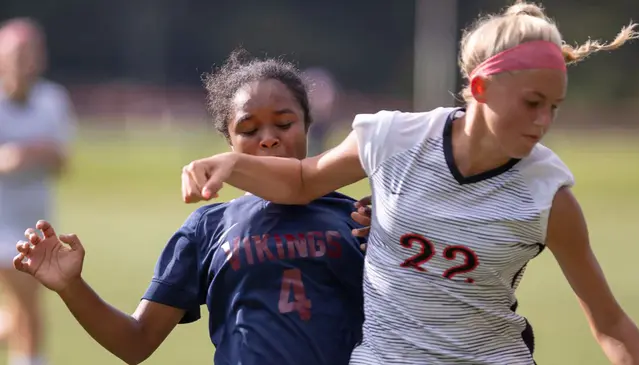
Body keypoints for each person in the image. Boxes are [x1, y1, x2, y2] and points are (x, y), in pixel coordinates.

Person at [177, 2, 639, 365]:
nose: (544, 120)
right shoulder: (393, 138)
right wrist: (228, 164)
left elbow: (610, 323)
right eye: (532, 103)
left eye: (554, 106)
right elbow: (303, 180)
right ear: (481, 89)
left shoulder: (548, 197)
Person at [13, 49, 371, 365]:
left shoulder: (357, 218)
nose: (268, 138)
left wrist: (392, 243)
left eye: (283, 123)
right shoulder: (208, 227)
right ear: (227, 141)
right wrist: (71, 286)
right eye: (248, 128)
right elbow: (136, 343)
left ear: (308, 125)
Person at [0, 17, 76, 365]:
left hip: (34, 223)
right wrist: (15, 157)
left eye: (31, 53)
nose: (25, 61)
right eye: (17, 54)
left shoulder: (53, 100)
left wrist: (47, 155)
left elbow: (64, 163)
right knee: (27, 309)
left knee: (20, 313)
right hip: (0, 223)